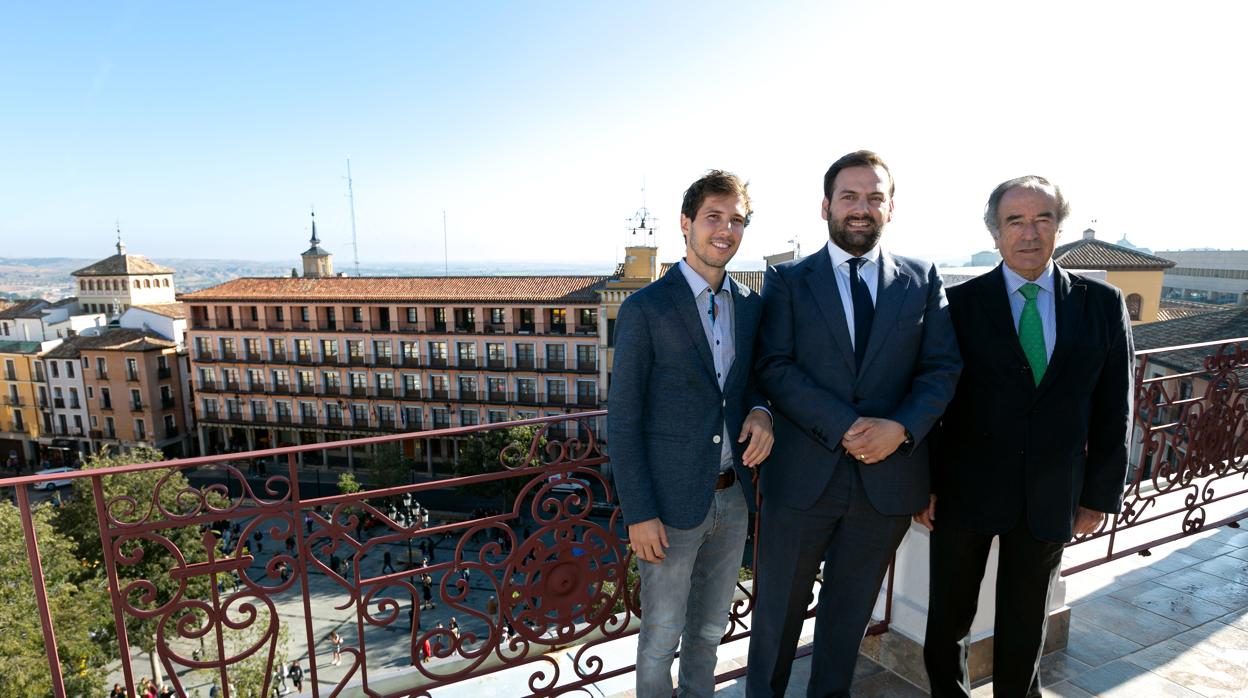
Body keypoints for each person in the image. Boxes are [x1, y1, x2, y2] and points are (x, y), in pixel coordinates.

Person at [747, 150, 961, 696]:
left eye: (873, 197)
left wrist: (902, 429)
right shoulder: (788, 280)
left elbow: (941, 369)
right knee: (775, 621)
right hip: (801, 481)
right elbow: (774, 364)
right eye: (849, 197)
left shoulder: (922, 277)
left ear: (891, 207)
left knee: (846, 625)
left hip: (886, 486)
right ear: (826, 207)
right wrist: (843, 424)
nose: (861, 208)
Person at [920, 176, 1133, 697]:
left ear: (1058, 228)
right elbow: (931, 400)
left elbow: (1114, 408)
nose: (1029, 233)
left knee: (1025, 623)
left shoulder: (1101, 304)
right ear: (995, 231)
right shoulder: (959, 304)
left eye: (1042, 220)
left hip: (1051, 495)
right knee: (948, 620)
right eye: (1015, 220)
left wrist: (1099, 495)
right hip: (963, 493)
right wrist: (920, 483)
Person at [609, 169, 775, 698]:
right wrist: (638, 512)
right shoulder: (646, 309)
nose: (725, 230)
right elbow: (624, 418)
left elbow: (755, 383)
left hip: (733, 500)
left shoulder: (749, 307)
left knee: (708, 632)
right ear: (686, 223)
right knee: (660, 638)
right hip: (667, 509)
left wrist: (762, 411)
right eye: (713, 217)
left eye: (737, 221)